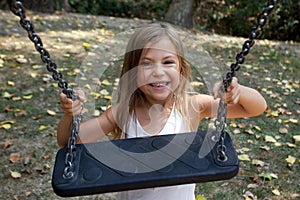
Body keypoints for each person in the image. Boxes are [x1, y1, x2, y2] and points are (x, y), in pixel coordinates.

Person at [57, 22, 267, 200]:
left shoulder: (191, 106)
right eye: (146, 64)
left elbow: (255, 108)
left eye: (168, 62)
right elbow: (69, 142)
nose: (158, 72)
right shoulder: (123, 112)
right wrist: (71, 115)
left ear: (181, 69)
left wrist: (237, 92)